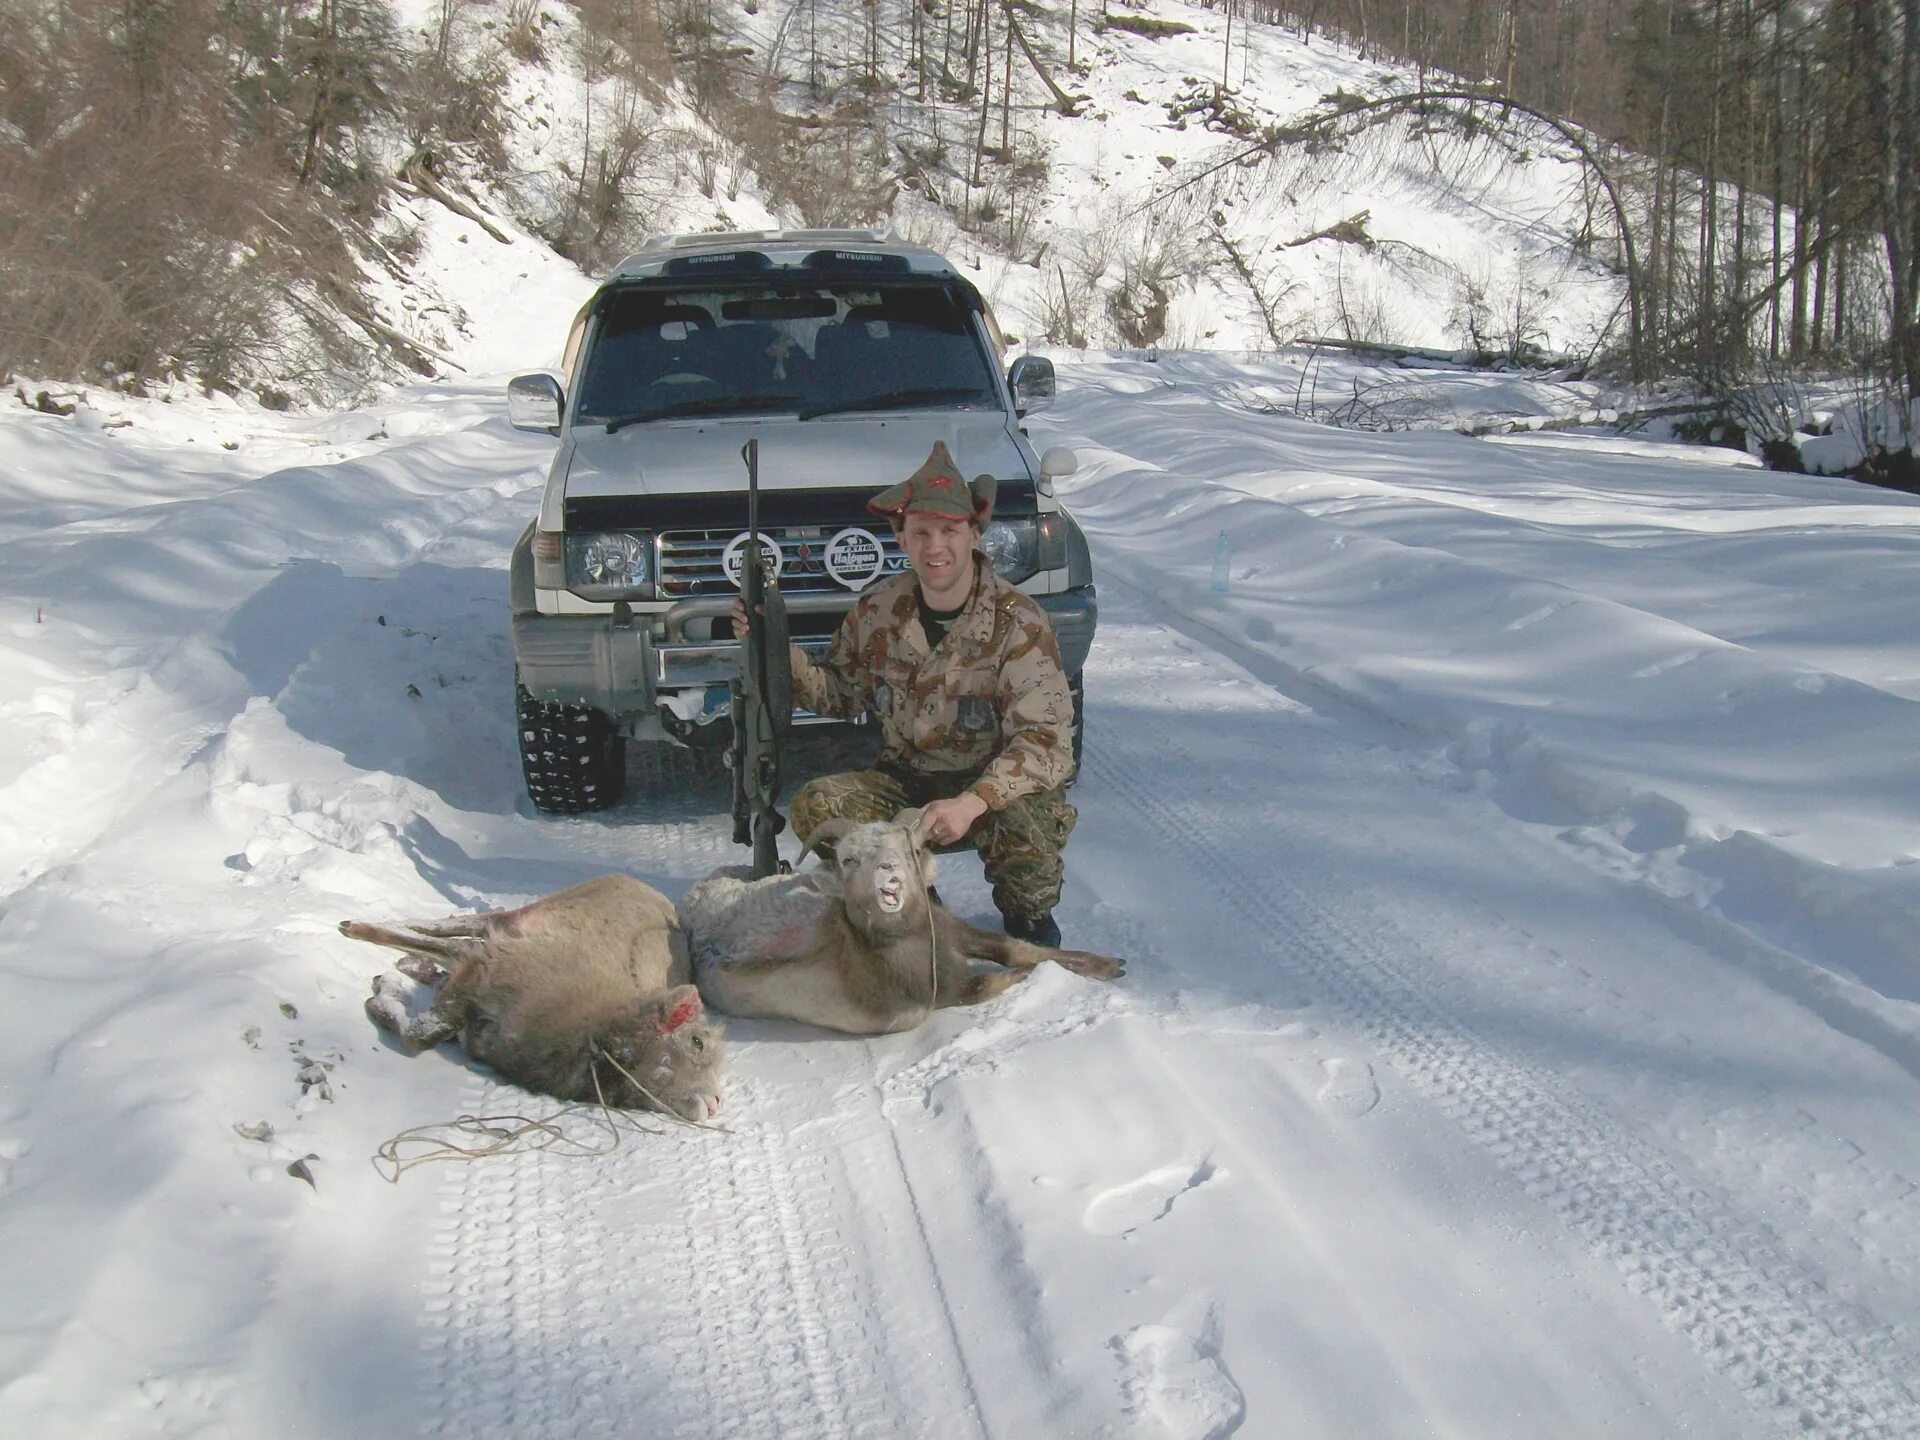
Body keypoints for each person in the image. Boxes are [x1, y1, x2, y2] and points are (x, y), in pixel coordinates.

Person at [732, 440, 1078, 946]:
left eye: (949, 531)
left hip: (990, 792)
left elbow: (1046, 743)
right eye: (920, 533)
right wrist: (770, 645)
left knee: (1032, 818)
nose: (935, 547)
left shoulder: (1018, 622)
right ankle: (913, 905)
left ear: (974, 535)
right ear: (902, 539)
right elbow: (837, 693)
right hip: (907, 785)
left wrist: (971, 803)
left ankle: (1026, 917)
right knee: (819, 807)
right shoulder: (879, 610)